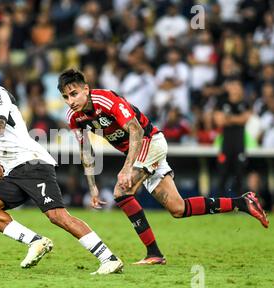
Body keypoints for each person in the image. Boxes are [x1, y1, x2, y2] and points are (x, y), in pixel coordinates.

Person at [0, 56, 122, 275]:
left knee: (57, 216)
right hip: (13, 169)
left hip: (31, 162)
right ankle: (36, 242)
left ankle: (109, 258)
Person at [57, 69, 269, 265]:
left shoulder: (105, 99)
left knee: (121, 191)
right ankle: (242, 202)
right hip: (139, 153)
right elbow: (86, 150)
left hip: (150, 142)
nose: (70, 101)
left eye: (74, 93)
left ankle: (153, 253)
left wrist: (126, 168)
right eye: (66, 97)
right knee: (178, 208)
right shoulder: (73, 117)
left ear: (86, 88)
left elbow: (136, 131)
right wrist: (92, 186)